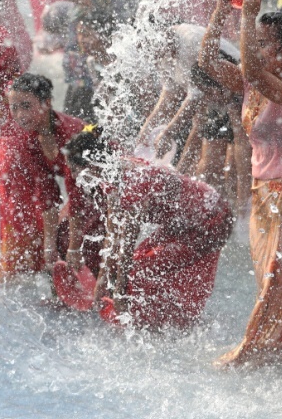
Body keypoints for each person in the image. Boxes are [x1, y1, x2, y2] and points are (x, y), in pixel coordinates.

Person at [200, 0, 282, 365]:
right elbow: (206, 58)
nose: (254, 49)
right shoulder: (252, 84)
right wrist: (223, 10)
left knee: (280, 277)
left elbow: (250, 64)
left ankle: (254, 349)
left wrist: (248, 13)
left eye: (264, 42)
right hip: (262, 193)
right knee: (268, 278)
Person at [63, 131, 234, 329]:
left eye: (75, 170)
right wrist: (102, 281)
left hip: (214, 219)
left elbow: (126, 242)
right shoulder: (110, 175)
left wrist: (119, 294)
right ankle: (163, 316)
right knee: (139, 261)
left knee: (138, 271)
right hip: (184, 224)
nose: (74, 177)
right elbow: (113, 236)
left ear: (92, 165)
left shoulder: (133, 182)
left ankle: (168, 324)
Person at [0, 74, 86, 282]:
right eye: (14, 108)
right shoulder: (27, 137)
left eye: (26, 106)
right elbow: (47, 194)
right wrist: (49, 248)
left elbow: (77, 196)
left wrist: (74, 248)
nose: (20, 115)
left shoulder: (70, 135)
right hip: (81, 194)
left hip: (101, 187)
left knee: (74, 240)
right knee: (53, 244)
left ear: (46, 103)